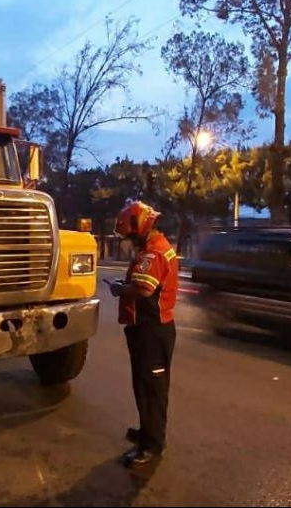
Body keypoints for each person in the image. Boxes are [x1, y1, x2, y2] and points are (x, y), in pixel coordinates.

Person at [106, 200, 179, 468]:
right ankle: (147, 432)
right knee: (144, 386)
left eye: (128, 235)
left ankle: (152, 446)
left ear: (140, 228)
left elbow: (144, 289)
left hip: (153, 332)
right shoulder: (152, 248)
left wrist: (119, 289)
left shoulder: (154, 253)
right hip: (146, 331)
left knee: (152, 390)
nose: (127, 240)